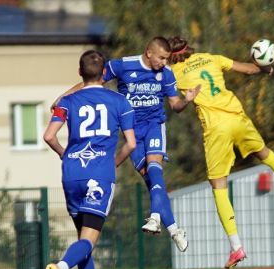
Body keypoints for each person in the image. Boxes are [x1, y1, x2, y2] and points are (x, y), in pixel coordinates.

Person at [168, 36, 274, 269]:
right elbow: (248, 69)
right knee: (264, 153)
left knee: (218, 185)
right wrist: (266, 68)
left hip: (216, 127)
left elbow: (175, 105)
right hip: (236, 115)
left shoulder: (171, 72)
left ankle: (236, 247)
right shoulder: (210, 57)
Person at [52, 37, 200, 253]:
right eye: (161, 58)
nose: (164, 63)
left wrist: (186, 100)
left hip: (153, 126)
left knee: (155, 169)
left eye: (167, 59)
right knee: (151, 181)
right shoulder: (122, 65)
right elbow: (91, 82)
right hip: (131, 129)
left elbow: (175, 105)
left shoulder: (166, 74)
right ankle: (176, 229)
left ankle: (155, 217)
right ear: (149, 52)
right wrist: (63, 97)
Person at [43, 50, 136, 269]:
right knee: (89, 240)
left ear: (79, 72)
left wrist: (65, 153)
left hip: (71, 173)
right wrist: (115, 162)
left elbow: (49, 136)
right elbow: (130, 143)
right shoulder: (120, 102)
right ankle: (60, 268)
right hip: (100, 175)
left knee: (84, 242)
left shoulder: (68, 101)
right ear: (105, 73)